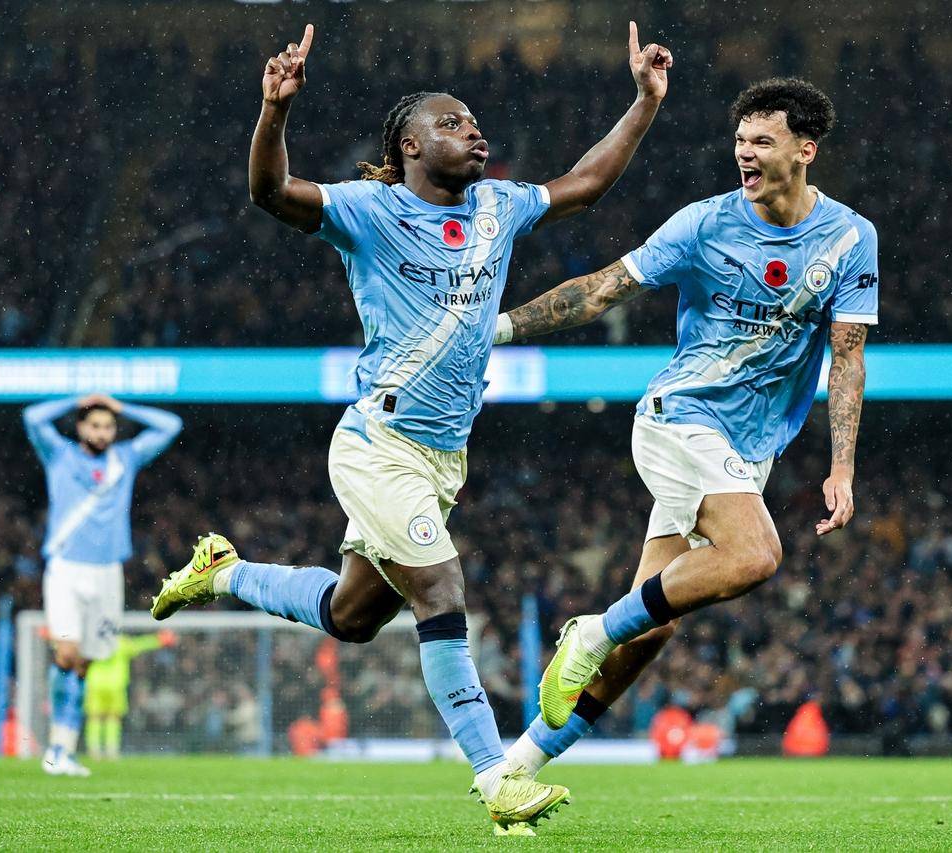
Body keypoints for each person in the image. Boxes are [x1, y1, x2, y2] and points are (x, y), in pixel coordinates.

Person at [150, 20, 673, 832]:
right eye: (453, 123)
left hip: (442, 456)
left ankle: (223, 572)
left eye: (475, 122)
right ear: (411, 145)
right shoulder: (369, 210)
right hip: (378, 445)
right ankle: (497, 777)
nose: (475, 132)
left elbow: (587, 183)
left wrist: (643, 101)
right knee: (441, 588)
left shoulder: (499, 206)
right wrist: (274, 111)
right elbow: (270, 193)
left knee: (352, 616)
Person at [492, 78, 879, 777]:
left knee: (653, 626)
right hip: (682, 417)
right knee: (755, 555)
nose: (745, 153)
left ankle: (514, 769)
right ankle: (593, 630)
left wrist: (843, 464)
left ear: (805, 151)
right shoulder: (704, 224)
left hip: (747, 449)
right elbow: (603, 288)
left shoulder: (851, 238)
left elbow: (847, 357)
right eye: (740, 141)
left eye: (762, 141)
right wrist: (498, 328)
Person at [24, 393, 183, 776]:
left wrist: (122, 407)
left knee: (84, 664)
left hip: (107, 572)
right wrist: (75, 400)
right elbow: (32, 417)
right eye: (94, 425)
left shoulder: (125, 458)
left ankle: (63, 750)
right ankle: (54, 748)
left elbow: (171, 425)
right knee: (66, 653)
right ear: (81, 427)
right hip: (66, 568)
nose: (102, 432)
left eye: (109, 426)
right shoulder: (60, 455)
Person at [84, 630, 177, 759]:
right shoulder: (120, 642)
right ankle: (111, 749)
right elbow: (139, 644)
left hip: (95, 683)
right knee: (113, 718)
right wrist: (159, 640)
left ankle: (94, 748)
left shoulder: (93, 642)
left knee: (94, 717)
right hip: (115, 684)